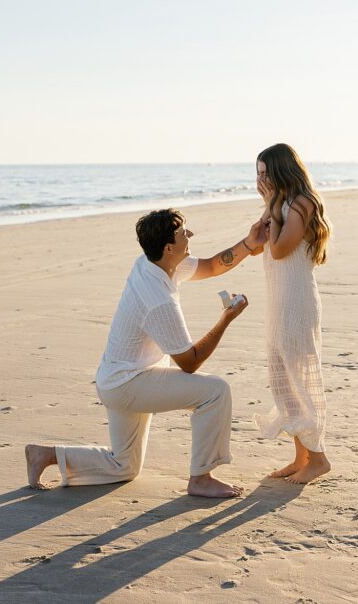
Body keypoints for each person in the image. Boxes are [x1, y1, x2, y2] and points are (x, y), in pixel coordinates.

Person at [25, 209, 268, 498]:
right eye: (183, 233)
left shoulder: (153, 263)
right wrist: (226, 319)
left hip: (115, 378)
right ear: (168, 247)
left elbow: (212, 265)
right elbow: (189, 362)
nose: (189, 235)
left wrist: (250, 243)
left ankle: (46, 454)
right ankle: (201, 477)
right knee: (215, 392)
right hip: (130, 383)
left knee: (124, 466)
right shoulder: (158, 300)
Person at [252, 143, 332, 484]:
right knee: (283, 378)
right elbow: (259, 243)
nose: (260, 180)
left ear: (283, 171)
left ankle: (318, 458)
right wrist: (266, 213)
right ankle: (301, 456)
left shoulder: (301, 203)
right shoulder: (281, 204)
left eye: (265, 174)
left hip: (297, 303)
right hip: (279, 301)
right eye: (257, 174)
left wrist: (270, 207)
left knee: (299, 379)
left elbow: (281, 249)